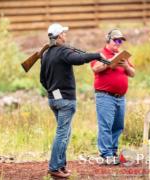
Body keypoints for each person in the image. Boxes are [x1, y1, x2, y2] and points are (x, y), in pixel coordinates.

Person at [40, 23, 108, 178]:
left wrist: (53, 90)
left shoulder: (45, 54)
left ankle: (61, 165)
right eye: (63, 33)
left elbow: (42, 80)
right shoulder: (63, 51)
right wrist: (97, 55)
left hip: (54, 100)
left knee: (65, 133)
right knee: (62, 134)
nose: (65, 35)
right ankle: (54, 167)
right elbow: (79, 59)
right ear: (59, 36)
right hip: (66, 101)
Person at [90, 29, 135, 165]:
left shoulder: (122, 55)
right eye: (116, 40)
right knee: (106, 125)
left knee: (118, 125)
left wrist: (126, 65)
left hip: (120, 97)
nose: (118, 43)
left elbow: (133, 73)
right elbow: (95, 68)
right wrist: (110, 62)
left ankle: (113, 152)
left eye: (120, 41)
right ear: (108, 40)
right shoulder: (100, 54)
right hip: (105, 96)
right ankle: (106, 154)